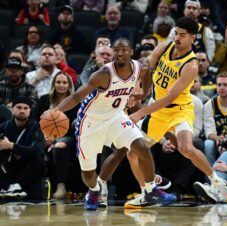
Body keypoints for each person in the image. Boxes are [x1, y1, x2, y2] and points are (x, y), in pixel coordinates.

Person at [54, 38, 176, 210]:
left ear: (131, 52)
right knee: (88, 173)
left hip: (116, 117)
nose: (120, 53)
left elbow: (148, 72)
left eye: (124, 50)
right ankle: (95, 190)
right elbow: (76, 97)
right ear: (113, 53)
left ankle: (150, 189)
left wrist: (142, 94)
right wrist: (56, 111)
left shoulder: (140, 67)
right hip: (90, 121)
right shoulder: (103, 74)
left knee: (141, 146)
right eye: (117, 50)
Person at [128, 17, 227, 207]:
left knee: (186, 148)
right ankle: (147, 192)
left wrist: (141, 112)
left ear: (193, 37)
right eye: (176, 33)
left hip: (179, 110)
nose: (177, 38)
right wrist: (138, 90)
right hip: (158, 111)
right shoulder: (165, 46)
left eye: (183, 35)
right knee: (133, 153)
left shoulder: (191, 65)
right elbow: (146, 67)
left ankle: (218, 182)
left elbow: (169, 98)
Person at [35, 71, 79, 199]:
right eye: (58, 82)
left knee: (59, 145)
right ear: (54, 84)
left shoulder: (75, 102)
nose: (61, 85)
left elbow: (75, 127)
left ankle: (61, 185)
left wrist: (54, 139)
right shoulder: (44, 100)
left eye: (65, 82)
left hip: (67, 137)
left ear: (69, 85)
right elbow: (35, 121)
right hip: (44, 136)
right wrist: (45, 136)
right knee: (34, 147)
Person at [0, 96, 46, 198]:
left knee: (39, 161)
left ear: (30, 111)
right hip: (9, 164)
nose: (22, 111)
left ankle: (17, 185)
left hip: (27, 166)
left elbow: (37, 150)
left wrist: (12, 146)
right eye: (19, 107)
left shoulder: (37, 127)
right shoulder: (3, 127)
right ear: (12, 109)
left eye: (26, 108)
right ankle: (8, 186)